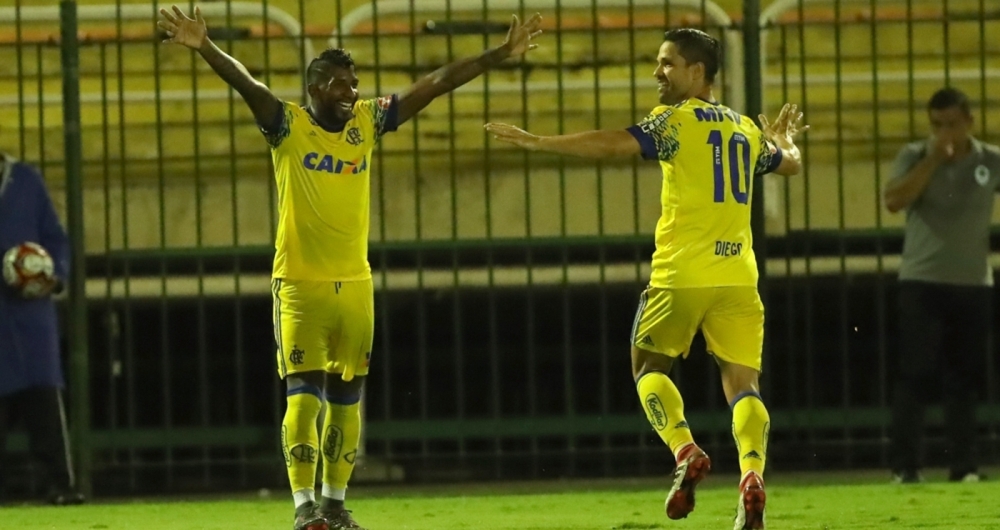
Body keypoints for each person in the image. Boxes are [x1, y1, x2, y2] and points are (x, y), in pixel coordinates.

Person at [157, 5, 541, 530]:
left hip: (355, 285)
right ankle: (302, 508)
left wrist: (499, 53)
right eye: (339, 84)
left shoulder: (369, 122)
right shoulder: (285, 124)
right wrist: (205, 46)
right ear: (315, 90)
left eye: (354, 82)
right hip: (298, 284)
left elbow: (435, 82)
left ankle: (334, 504)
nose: (350, 91)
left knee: (346, 396)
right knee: (303, 394)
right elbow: (247, 83)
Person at [486, 28, 804, 529]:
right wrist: (783, 139)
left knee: (646, 367)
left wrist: (539, 140)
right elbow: (789, 164)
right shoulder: (744, 129)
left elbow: (615, 144)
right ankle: (752, 477)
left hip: (681, 273)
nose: (658, 73)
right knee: (744, 385)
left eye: (668, 63)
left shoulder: (673, 122)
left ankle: (684, 451)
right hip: (739, 277)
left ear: (697, 72)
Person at [883, 87, 1000, 484]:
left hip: (972, 284)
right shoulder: (915, 155)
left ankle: (964, 467)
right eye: (937, 125)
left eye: (951, 124)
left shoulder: (990, 160)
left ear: (969, 121)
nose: (945, 132)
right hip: (922, 281)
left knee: (964, 379)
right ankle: (905, 467)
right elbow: (894, 200)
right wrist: (934, 159)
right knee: (915, 375)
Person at [0, 151, 84, 506]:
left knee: (45, 404)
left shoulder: (27, 181)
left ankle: (61, 485)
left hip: (32, 315)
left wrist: (54, 276)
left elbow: (56, 239)